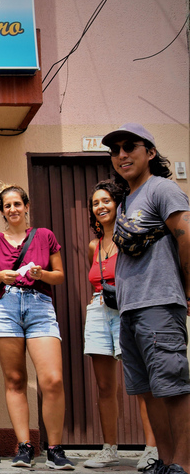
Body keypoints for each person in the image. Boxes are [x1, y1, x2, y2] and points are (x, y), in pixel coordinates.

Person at [102, 123, 190, 474]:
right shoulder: (126, 202)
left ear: (150, 152)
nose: (121, 155)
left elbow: (186, 236)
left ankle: (183, 464)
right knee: (150, 391)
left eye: (130, 147)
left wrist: (188, 289)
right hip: (130, 309)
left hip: (159, 304)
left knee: (172, 387)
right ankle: (167, 463)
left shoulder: (162, 188)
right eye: (115, 150)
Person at [0, 183, 72, 470]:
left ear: (26, 206)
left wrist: (41, 273)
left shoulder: (44, 236)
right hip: (5, 308)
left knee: (52, 380)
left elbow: (59, 276)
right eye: (7, 206)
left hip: (39, 307)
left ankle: (55, 448)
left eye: (17, 204)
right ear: (2, 211)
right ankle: (24, 447)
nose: (13, 209)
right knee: (15, 380)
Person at [82, 180, 158, 470]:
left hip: (127, 311)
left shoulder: (130, 239)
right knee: (104, 386)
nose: (100, 206)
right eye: (95, 203)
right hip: (99, 311)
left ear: (118, 204)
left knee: (140, 382)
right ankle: (109, 449)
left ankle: (152, 448)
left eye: (106, 201)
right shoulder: (94, 245)